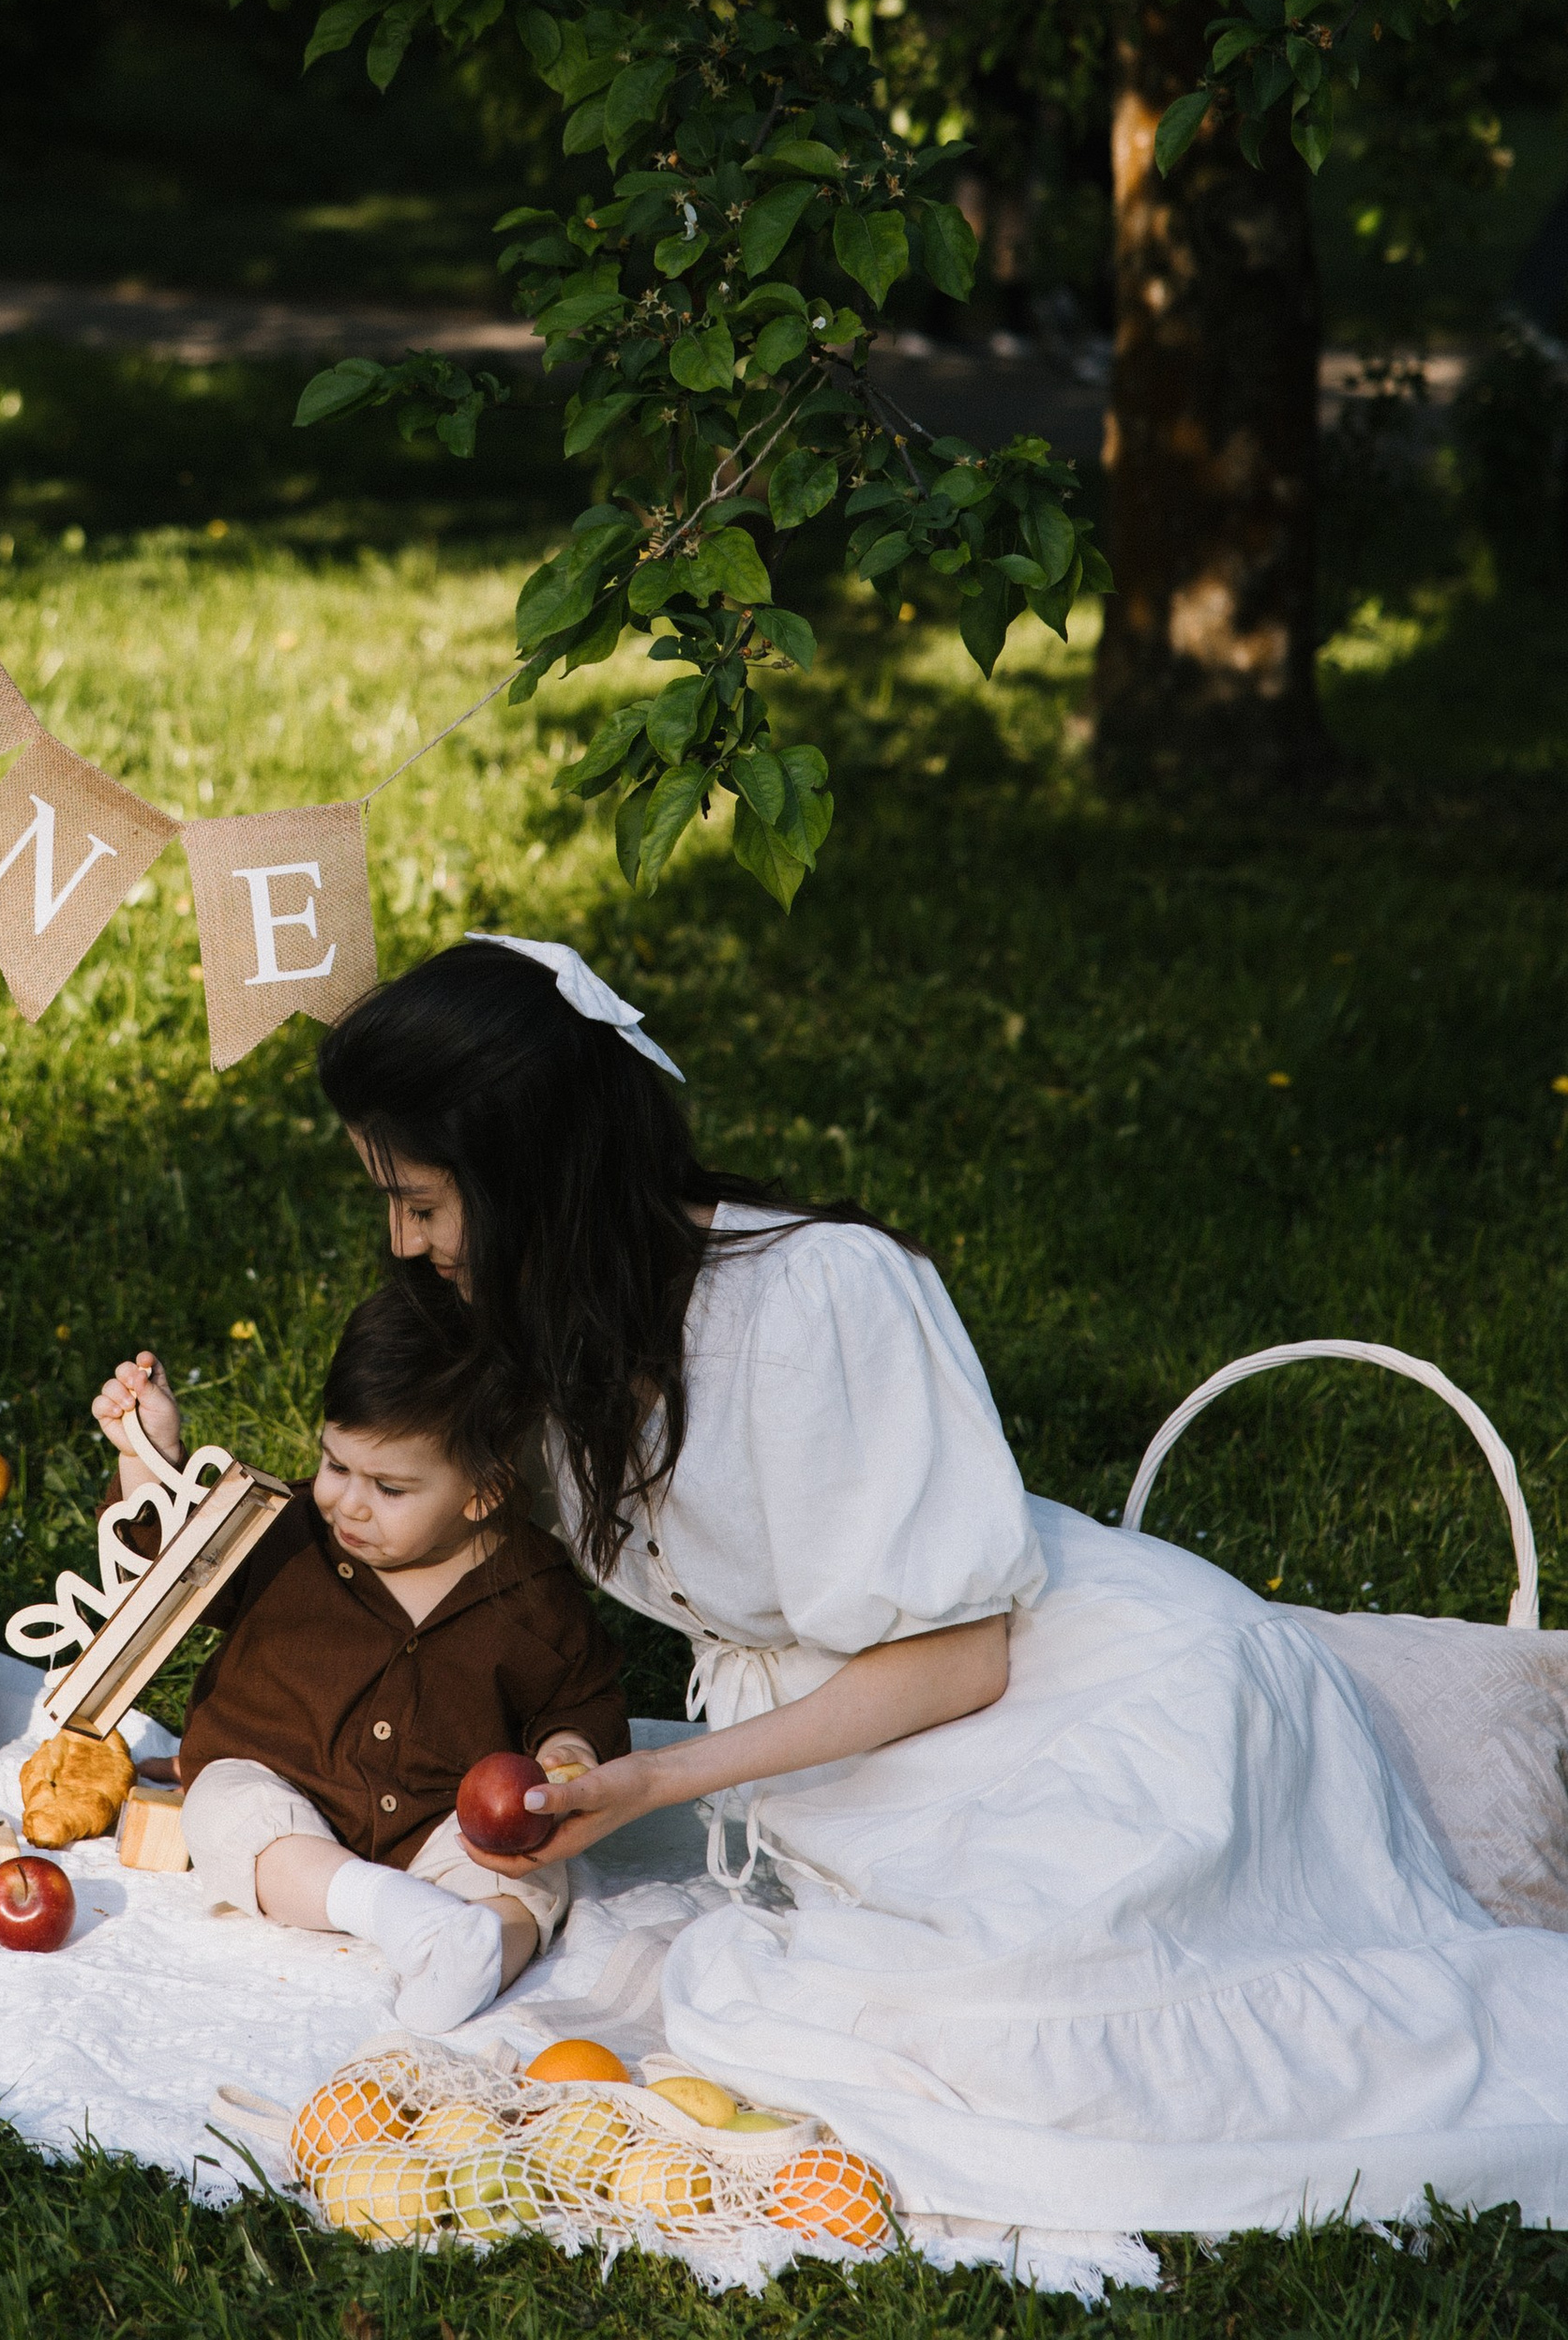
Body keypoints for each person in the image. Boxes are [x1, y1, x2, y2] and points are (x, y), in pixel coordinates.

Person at [313, 932, 1568, 2238]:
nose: (404, 1243)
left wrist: (665, 1776)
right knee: (838, 2019)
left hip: (1100, 1697)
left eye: (423, 1201)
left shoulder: (818, 1295)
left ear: (532, 1173)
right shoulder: (546, 1326)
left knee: (1032, 2034)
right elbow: (418, 1517)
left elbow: (965, 1656)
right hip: (882, 1744)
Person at [90, 1281, 628, 2031]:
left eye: (390, 1487)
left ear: (485, 1493)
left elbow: (580, 1698)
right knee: (224, 1810)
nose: (348, 1502)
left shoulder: (532, 1591)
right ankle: (388, 1909)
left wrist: (567, 1749)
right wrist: (152, 1458)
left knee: (536, 1872)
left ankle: (477, 1953)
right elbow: (171, 1572)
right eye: (337, 1465)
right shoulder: (287, 1532)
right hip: (286, 1788)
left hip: (439, 1820)